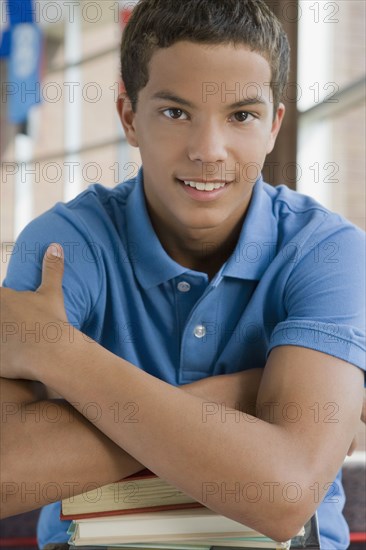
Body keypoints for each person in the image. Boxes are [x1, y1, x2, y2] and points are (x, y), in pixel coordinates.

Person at [1, 1, 365, 549]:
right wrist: (252, 395)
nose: (208, 152)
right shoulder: (62, 246)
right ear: (129, 117)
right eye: (176, 113)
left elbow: (285, 497)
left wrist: (60, 355)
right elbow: (6, 471)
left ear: (274, 127)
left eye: (242, 116)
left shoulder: (331, 252)